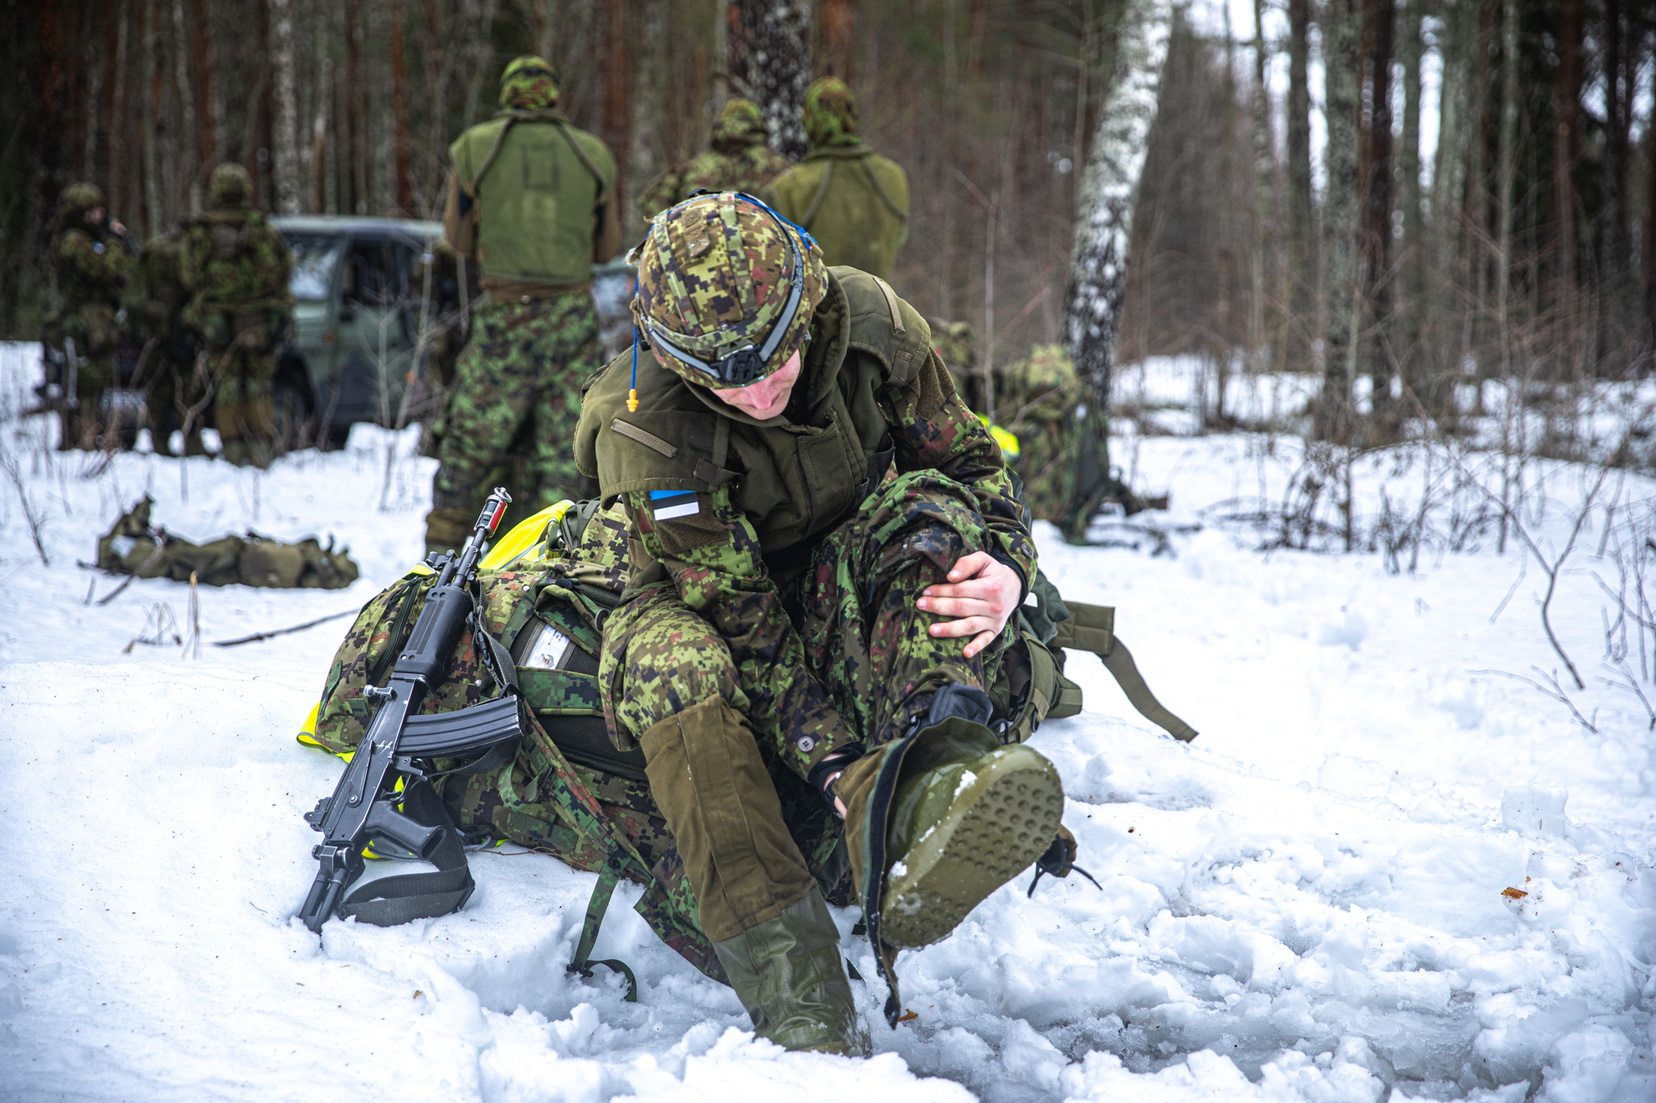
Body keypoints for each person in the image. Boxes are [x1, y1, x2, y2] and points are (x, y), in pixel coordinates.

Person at [574, 193, 1066, 1054]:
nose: (758, 390)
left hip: (839, 563)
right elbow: (749, 633)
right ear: (671, 356)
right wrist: (840, 768)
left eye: (775, 356)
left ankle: (935, 775)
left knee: (924, 508)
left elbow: (972, 466)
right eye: (723, 375)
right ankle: (800, 994)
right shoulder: (646, 431)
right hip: (698, 597)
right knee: (677, 670)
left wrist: (1009, 571)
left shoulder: (873, 326)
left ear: (806, 306)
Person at [425, 55, 622, 555]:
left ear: (508, 93)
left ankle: (436, 561)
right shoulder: (593, 154)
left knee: (468, 448)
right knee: (565, 452)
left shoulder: (476, 148)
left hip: (505, 319)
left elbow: (457, 237)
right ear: (554, 96)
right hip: (572, 321)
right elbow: (606, 250)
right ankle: (547, 562)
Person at [179, 163, 295, 467]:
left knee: (228, 384)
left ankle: (232, 450)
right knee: (258, 383)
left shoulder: (203, 232)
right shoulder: (262, 229)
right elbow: (283, 270)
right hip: (259, 320)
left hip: (218, 321)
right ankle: (260, 450)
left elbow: (189, 276)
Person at [768, 78, 909, 280]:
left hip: (818, 310)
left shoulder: (789, 187)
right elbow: (898, 238)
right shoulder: (893, 176)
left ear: (809, 121)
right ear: (852, 116)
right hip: (883, 307)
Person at [44, 182, 136, 449]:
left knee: (97, 379)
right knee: (83, 381)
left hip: (99, 320)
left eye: (99, 210)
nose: (98, 216)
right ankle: (80, 437)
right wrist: (114, 242)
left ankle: (91, 433)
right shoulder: (74, 241)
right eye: (91, 211)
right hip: (84, 321)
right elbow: (106, 269)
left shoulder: (92, 240)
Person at [637, 98, 792, 221]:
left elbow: (652, 212)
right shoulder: (786, 172)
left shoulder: (687, 171)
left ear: (723, 124)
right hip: (769, 255)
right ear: (758, 124)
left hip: (701, 258)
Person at [128, 226, 207, 456]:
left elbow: (137, 285)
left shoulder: (152, 249)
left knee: (158, 384)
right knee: (189, 385)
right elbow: (193, 284)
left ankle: (158, 440)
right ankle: (191, 441)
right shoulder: (190, 251)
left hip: (154, 325)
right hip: (180, 326)